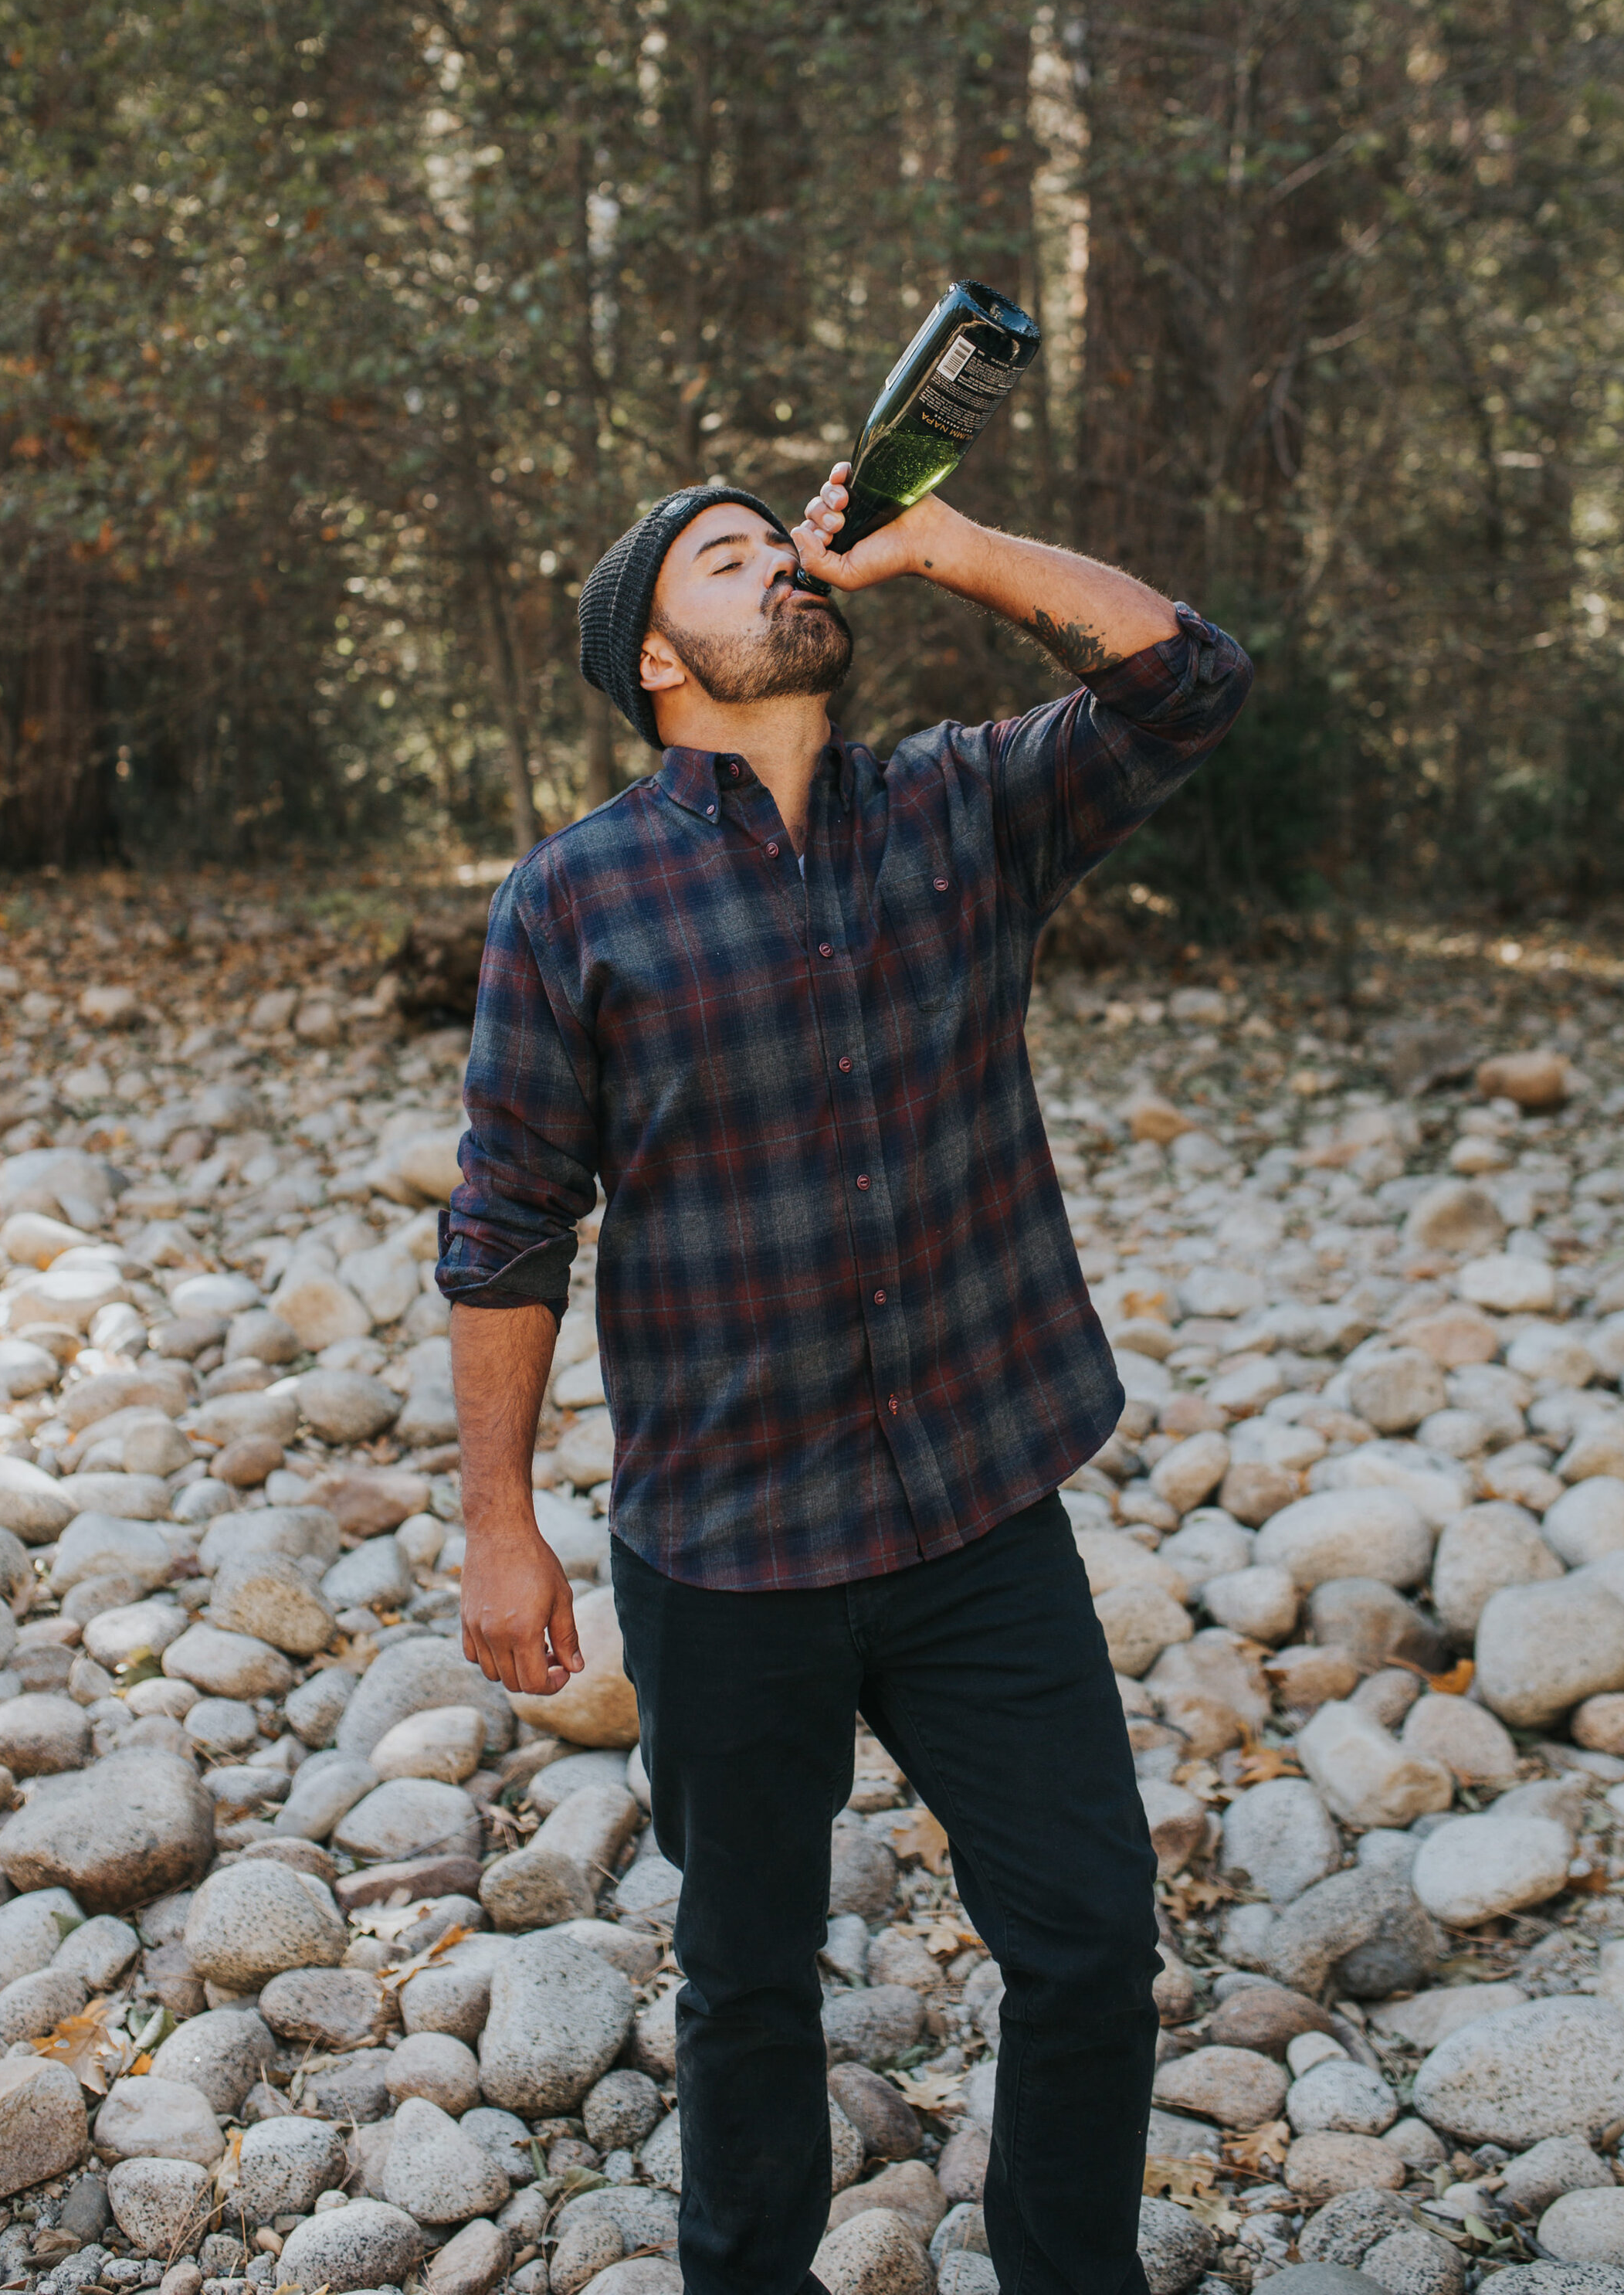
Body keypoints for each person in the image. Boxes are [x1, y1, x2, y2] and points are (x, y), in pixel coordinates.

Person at [438, 463, 1252, 2295]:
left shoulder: (966, 807)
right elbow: (504, 1227)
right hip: (726, 1556)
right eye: (731, 560)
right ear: (657, 656)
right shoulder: (573, 899)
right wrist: (501, 1525)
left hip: (978, 1511)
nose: (787, 567)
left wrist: (952, 549)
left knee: (1086, 1943)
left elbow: (1190, 682)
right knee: (742, 1982)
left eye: (785, 543)